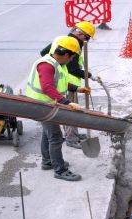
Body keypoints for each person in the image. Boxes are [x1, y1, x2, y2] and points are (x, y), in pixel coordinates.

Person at [26, 36, 90, 181]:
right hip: (42, 105)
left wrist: (78, 89)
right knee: (55, 137)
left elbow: (59, 82)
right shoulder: (46, 65)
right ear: (66, 54)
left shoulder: (56, 63)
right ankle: (60, 170)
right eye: (71, 57)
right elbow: (47, 87)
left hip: (45, 104)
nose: (70, 60)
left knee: (47, 133)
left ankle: (48, 161)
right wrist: (67, 102)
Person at [40, 21, 96, 149]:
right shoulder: (71, 45)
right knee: (70, 112)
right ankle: (71, 138)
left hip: (67, 83)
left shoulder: (64, 40)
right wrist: (88, 75)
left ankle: (74, 134)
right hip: (68, 84)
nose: (87, 40)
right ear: (80, 33)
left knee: (70, 111)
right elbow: (73, 69)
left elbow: (43, 52)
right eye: (87, 37)